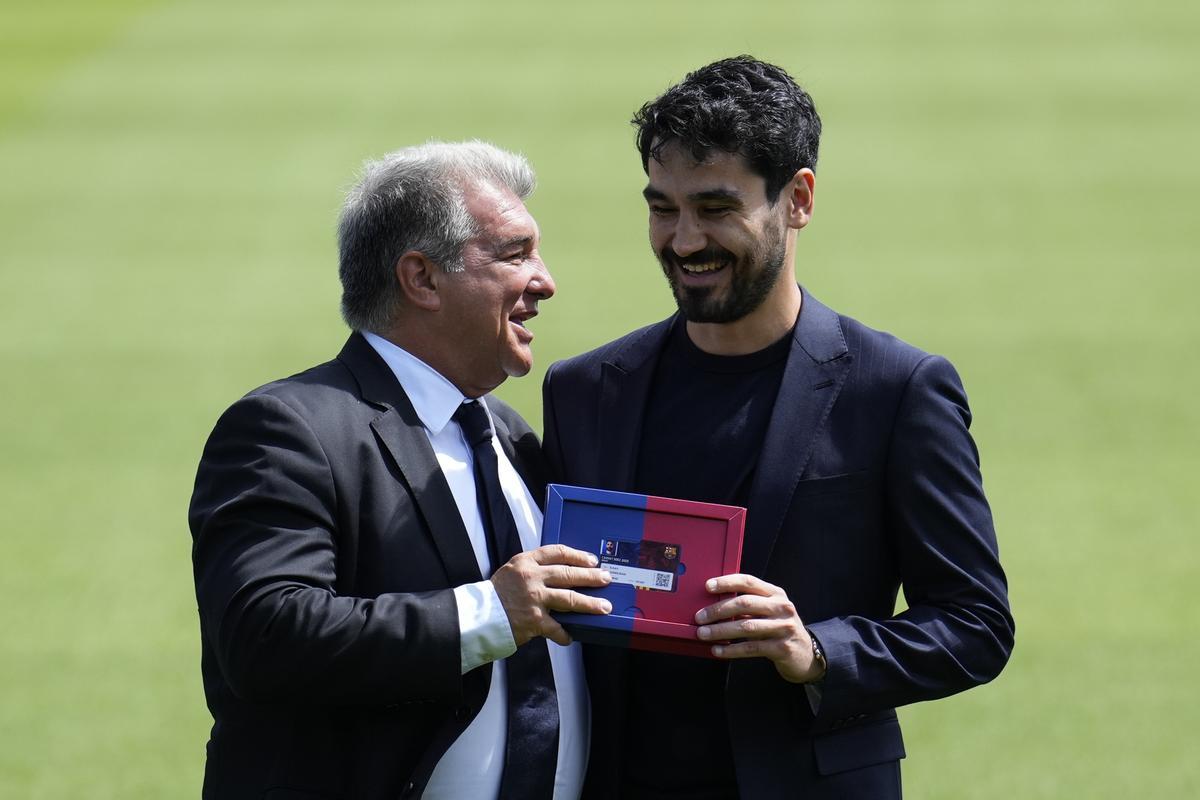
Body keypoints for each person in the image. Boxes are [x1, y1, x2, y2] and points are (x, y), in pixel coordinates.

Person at [541, 56, 1015, 799]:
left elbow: (976, 624)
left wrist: (818, 650)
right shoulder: (583, 391)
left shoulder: (896, 389)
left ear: (798, 199)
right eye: (663, 208)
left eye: (716, 208)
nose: (684, 240)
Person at [189, 141, 613, 800]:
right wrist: (489, 612)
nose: (545, 281)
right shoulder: (288, 429)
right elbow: (265, 636)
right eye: (514, 254)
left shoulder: (511, 438)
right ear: (421, 279)